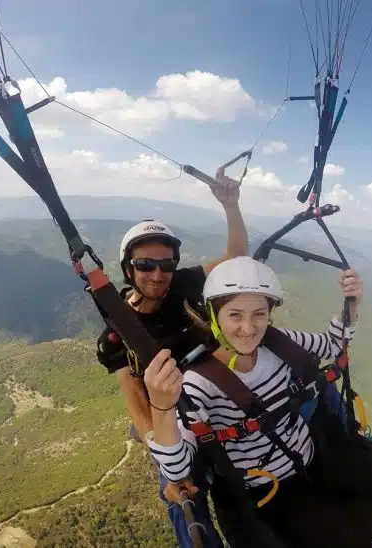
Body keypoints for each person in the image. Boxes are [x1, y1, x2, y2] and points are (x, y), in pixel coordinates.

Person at [143, 256, 372, 548]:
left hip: (316, 457)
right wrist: (161, 407)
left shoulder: (278, 344)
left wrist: (352, 306)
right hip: (270, 490)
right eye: (235, 314)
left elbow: (331, 344)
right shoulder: (200, 382)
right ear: (214, 316)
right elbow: (177, 468)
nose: (248, 328)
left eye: (259, 314)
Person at [95, 169, 248, 548]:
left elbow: (235, 257)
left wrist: (231, 206)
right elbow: (135, 399)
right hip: (173, 418)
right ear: (129, 268)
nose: (157, 274)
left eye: (165, 264)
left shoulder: (183, 283)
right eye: (145, 265)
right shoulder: (119, 334)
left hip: (219, 393)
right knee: (183, 497)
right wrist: (165, 455)